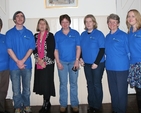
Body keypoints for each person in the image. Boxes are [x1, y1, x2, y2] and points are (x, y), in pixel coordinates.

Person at [6, 11, 35, 113]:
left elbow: (31, 48)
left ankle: (26, 105)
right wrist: (18, 61)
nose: (19, 18)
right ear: (14, 19)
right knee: (16, 89)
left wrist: (22, 61)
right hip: (14, 66)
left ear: (24, 19)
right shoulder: (9, 33)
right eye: (17, 16)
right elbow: (9, 49)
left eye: (21, 16)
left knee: (26, 89)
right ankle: (17, 107)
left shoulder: (29, 33)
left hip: (27, 65)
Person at [54, 14, 81, 113]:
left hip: (74, 62)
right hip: (62, 63)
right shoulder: (57, 35)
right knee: (63, 84)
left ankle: (74, 104)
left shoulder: (75, 33)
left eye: (66, 22)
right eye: (62, 22)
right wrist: (58, 62)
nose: (65, 24)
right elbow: (55, 50)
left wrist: (77, 60)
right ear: (60, 23)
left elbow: (78, 47)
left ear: (70, 22)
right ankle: (63, 104)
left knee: (73, 84)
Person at [80, 14, 105, 113]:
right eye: (86, 21)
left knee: (96, 84)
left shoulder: (99, 34)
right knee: (89, 84)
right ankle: (91, 104)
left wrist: (96, 62)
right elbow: (80, 48)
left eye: (90, 21)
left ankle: (97, 106)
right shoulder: (83, 34)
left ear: (94, 23)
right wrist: (81, 58)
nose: (88, 23)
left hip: (98, 64)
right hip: (87, 64)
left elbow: (102, 49)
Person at [105, 14, 129, 113]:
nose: (112, 24)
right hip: (110, 68)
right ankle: (115, 110)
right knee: (113, 91)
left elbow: (129, 53)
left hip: (122, 69)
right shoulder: (107, 36)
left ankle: (122, 110)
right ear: (107, 24)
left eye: (114, 22)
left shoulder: (123, 36)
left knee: (121, 93)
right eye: (110, 22)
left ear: (118, 23)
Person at [33, 18, 55, 113]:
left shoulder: (50, 36)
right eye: (40, 24)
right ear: (38, 26)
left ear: (46, 26)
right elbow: (33, 49)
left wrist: (44, 61)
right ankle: (46, 102)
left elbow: (51, 50)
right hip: (38, 63)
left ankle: (46, 103)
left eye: (44, 24)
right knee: (41, 84)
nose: (42, 25)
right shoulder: (35, 36)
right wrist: (39, 60)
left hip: (48, 64)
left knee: (47, 84)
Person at [126, 9, 141, 113]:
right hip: (133, 64)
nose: (130, 18)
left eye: (132, 16)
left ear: (137, 18)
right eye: (128, 16)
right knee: (138, 90)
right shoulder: (129, 32)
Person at [0, 18, 10, 113]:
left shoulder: (5, 38)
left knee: (3, 91)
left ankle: (2, 109)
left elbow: (10, 51)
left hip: (5, 69)